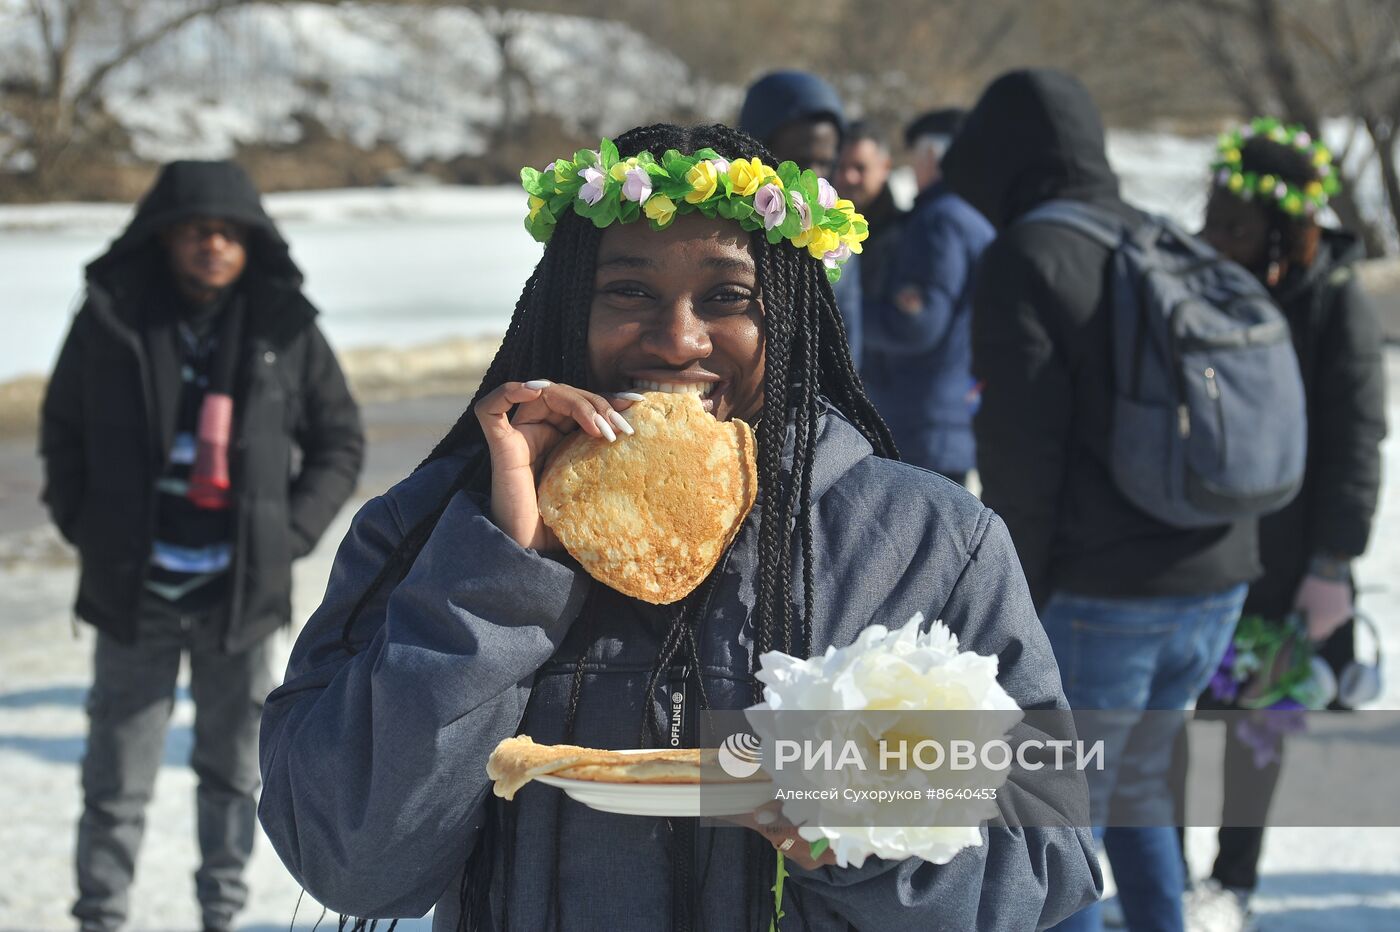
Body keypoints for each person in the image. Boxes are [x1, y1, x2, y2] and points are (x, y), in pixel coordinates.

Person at [256, 122, 1101, 932]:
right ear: (562, 304)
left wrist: (862, 833)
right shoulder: (430, 528)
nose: (677, 339)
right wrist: (503, 568)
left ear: (795, 315)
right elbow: (351, 862)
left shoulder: (930, 544)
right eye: (628, 291)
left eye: (729, 297)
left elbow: (1045, 859)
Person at [941, 70, 1261, 932]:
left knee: (1051, 811)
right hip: (1216, 575)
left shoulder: (1028, 255)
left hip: (1104, 598)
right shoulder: (1155, 236)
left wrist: (1017, 604)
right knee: (1139, 783)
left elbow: (1019, 455)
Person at [39, 160, 365, 932]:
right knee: (115, 779)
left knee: (230, 775)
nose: (212, 246)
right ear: (165, 238)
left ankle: (219, 916)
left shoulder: (284, 327)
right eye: (195, 231)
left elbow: (339, 441)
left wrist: (285, 535)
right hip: (134, 594)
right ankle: (100, 917)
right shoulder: (112, 319)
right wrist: (88, 527)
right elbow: (61, 434)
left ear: (250, 242)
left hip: (238, 599)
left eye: (227, 233)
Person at [1176, 118, 1386, 931]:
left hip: (1292, 554)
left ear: (1284, 231)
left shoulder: (1332, 299)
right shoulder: (1202, 285)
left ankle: (1233, 879)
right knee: (1177, 719)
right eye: (1212, 220)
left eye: (1234, 226)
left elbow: (1356, 439)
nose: (1213, 239)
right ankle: (1167, 877)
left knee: (1249, 723)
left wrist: (1333, 562)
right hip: (1200, 545)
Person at [860, 108, 993, 484]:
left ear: (932, 155)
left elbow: (915, 325)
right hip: (946, 416)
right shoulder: (970, 217)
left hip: (920, 420)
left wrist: (843, 314)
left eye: (915, 156)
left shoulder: (939, 222)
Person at [739, 70, 863, 369]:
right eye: (801, 162)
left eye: (825, 163)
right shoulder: (714, 228)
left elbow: (847, 350)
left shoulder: (832, 240)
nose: (814, 178)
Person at [837, 119, 906, 306]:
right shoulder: (819, 230)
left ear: (885, 167)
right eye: (841, 167)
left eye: (860, 168)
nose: (849, 177)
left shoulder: (906, 234)